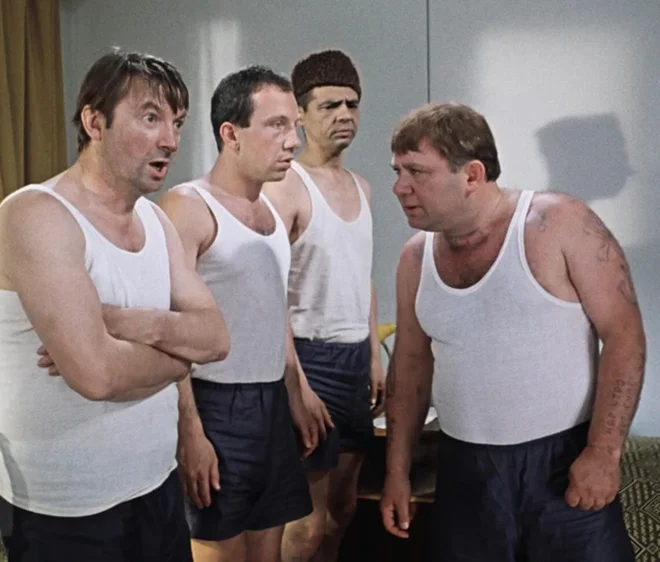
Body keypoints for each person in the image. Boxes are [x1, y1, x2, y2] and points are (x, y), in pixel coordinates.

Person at [0, 50, 230, 561]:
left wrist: (128, 323)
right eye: (150, 118)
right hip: (64, 511)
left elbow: (216, 338)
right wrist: (181, 357)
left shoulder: (156, 221)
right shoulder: (37, 214)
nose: (170, 140)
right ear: (94, 122)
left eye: (177, 122)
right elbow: (97, 375)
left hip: (155, 485)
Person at [380, 102, 645, 561]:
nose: (400, 187)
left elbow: (625, 335)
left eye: (416, 172)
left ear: (472, 175)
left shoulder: (557, 223)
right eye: (397, 171)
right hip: (465, 469)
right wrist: (396, 472)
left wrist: (604, 452)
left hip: (562, 462)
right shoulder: (415, 259)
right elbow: (409, 369)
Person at [158, 65, 314, 562]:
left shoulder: (272, 213)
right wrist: (190, 430)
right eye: (277, 126)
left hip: (269, 402)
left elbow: (272, 311)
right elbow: (168, 328)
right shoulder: (188, 205)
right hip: (214, 402)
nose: (293, 141)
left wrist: (295, 390)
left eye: (294, 126)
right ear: (231, 134)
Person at [263, 49, 383, 562]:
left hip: (355, 359)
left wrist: (374, 355)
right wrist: (297, 383)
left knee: (343, 511)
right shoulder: (285, 186)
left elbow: (363, 275)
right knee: (306, 526)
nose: (344, 115)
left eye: (351, 104)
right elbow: (268, 294)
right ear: (300, 114)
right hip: (309, 358)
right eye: (330, 105)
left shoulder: (363, 187)